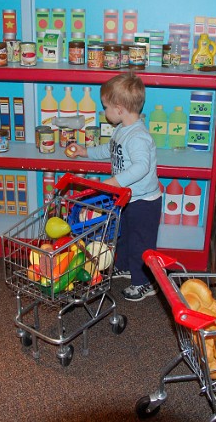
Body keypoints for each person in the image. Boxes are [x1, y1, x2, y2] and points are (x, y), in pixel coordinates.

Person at [65, 72, 162, 302]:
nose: (104, 111)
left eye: (106, 107)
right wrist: (86, 152)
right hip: (127, 197)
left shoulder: (138, 136)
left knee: (140, 243)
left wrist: (116, 181)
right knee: (124, 235)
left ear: (119, 109)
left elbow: (141, 167)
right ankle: (126, 267)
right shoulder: (122, 129)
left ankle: (145, 283)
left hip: (144, 202)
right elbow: (109, 150)